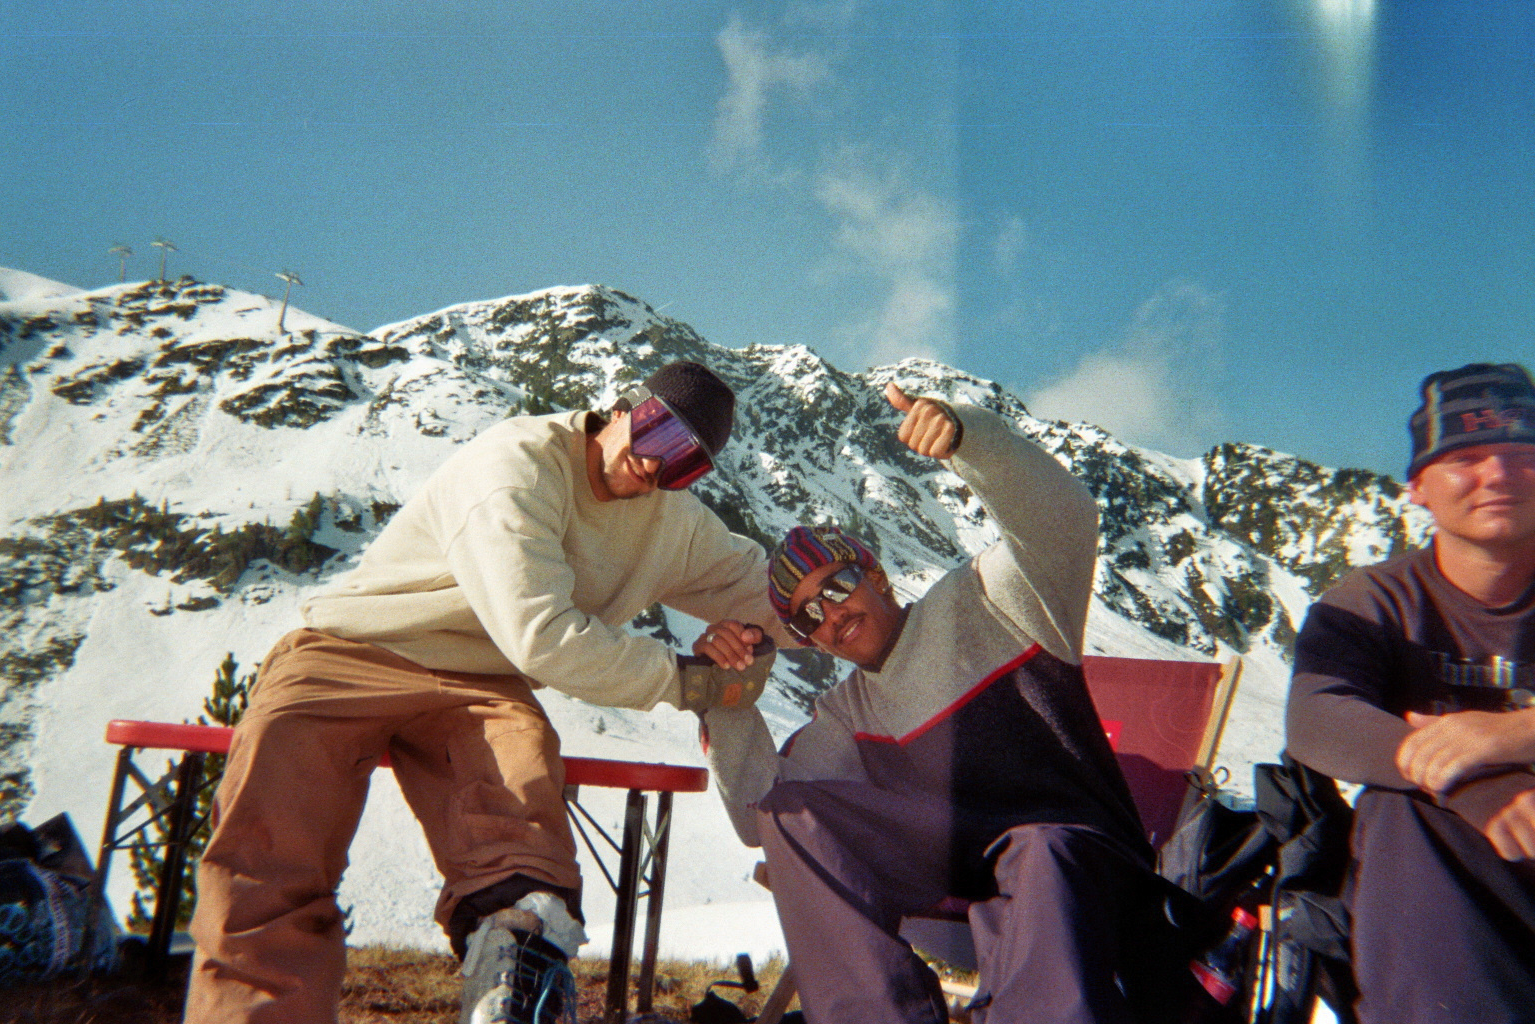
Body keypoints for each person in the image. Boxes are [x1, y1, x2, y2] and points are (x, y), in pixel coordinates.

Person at [185, 360, 783, 1024]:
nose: (657, 467)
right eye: (657, 435)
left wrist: (849, 611)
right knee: (272, 851)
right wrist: (687, 679)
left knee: (521, 825)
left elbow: (765, 588)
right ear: (623, 408)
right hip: (355, 648)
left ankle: (517, 979)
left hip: (483, 684)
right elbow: (543, 636)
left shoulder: (670, 521)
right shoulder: (519, 463)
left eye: (686, 465)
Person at [696, 381, 1164, 1024]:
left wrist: (970, 440)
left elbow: (1065, 520)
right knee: (792, 810)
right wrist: (728, 698)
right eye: (808, 617)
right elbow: (760, 820)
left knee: (1040, 854)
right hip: (956, 866)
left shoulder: (990, 600)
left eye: (835, 587)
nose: (830, 614)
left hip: (1069, 850)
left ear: (876, 576)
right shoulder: (849, 712)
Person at [1287, 361, 1535, 1024]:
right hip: (1447, 875)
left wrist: (1507, 735)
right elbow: (1316, 717)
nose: (1500, 476)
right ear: (1418, 487)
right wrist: (1474, 785)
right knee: (1405, 814)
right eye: (1468, 456)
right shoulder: (1375, 601)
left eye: (1521, 454)